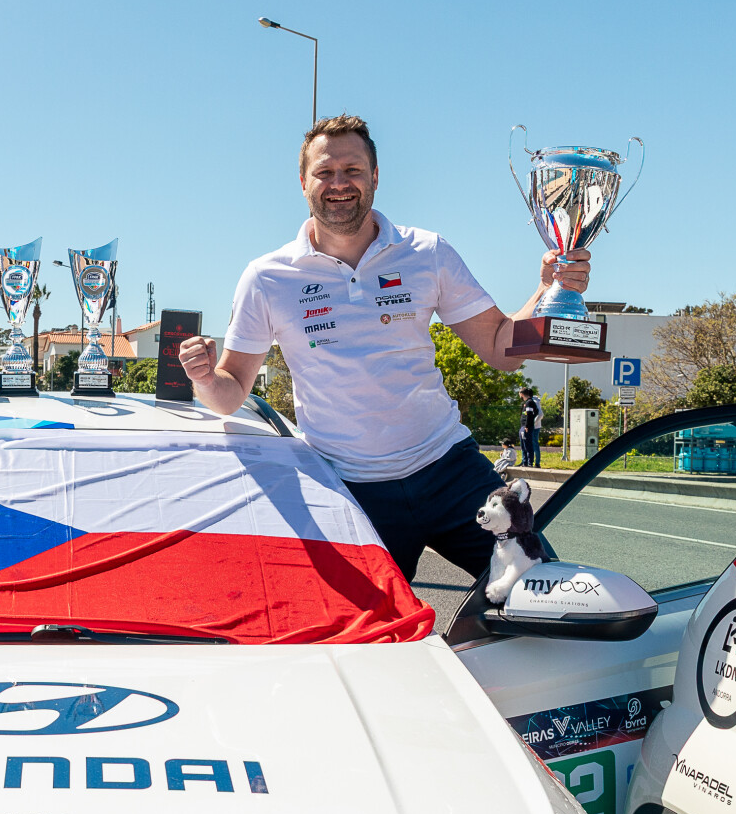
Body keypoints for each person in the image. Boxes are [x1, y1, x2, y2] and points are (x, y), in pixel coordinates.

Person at [177, 115, 591, 581]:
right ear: (303, 182)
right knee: (362, 625)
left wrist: (546, 291)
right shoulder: (267, 277)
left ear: (375, 176)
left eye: (352, 170)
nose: (339, 183)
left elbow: (499, 346)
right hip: (348, 488)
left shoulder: (428, 252)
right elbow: (231, 392)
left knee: (544, 592)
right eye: (324, 172)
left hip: (450, 470)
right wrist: (204, 377)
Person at [518, 387, 542, 468]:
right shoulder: (527, 402)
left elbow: (530, 414)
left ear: (522, 394)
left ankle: (529, 462)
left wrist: (527, 425)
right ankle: (525, 462)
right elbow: (535, 412)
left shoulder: (529, 402)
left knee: (528, 445)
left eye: (520, 394)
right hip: (523, 426)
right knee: (523, 445)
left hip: (526, 427)